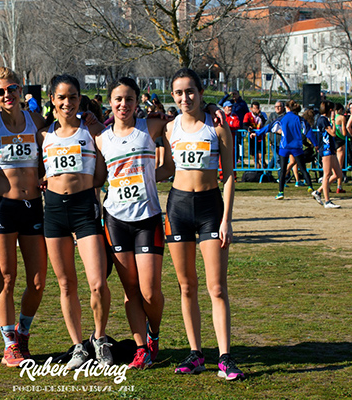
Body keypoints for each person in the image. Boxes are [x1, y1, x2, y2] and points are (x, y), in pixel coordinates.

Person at [165, 68, 244, 381]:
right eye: (179, 93)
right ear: (173, 96)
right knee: (186, 286)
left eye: (191, 92)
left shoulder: (217, 126)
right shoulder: (169, 127)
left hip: (211, 208)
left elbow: (230, 176)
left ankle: (225, 357)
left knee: (216, 287)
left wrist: (227, 219)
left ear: (200, 92)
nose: (186, 98)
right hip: (178, 207)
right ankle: (195, 353)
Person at [96, 77, 174, 370]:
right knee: (130, 290)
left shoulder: (150, 127)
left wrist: (151, 179)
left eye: (129, 99)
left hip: (148, 218)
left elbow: (170, 160)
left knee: (150, 290)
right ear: (110, 102)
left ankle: (154, 333)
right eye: (118, 99)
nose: (123, 105)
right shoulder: (101, 138)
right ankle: (141, 347)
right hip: (116, 219)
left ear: (137, 102)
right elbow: (99, 179)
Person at [0, 67, 47, 367]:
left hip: (34, 207)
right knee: (6, 278)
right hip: (4, 208)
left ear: (20, 88)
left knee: (38, 280)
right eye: (0, 92)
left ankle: (23, 333)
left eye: (12, 88)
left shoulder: (36, 120)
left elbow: (56, 143)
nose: (7, 95)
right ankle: (9, 344)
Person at [38, 74, 112, 370]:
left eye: (73, 97)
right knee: (66, 284)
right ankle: (79, 346)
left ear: (80, 99)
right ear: (53, 100)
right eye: (62, 97)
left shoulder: (92, 129)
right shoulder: (43, 135)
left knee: (97, 283)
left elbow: (104, 169)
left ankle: (101, 338)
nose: (67, 102)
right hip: (54, 211)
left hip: (84, 209)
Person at [253, 100, 316, 200]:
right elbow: (309, 132)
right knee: (303, 169)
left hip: (284, 147)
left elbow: (268, 127)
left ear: (287, 108)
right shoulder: (299, 119)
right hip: (297, 147)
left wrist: (257, 133)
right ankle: (311, 188)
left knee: (283, 170)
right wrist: (315, 144)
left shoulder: (282, 118)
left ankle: (281, 192)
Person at [311, 101, 342, 208]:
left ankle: (318, 192)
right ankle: (327, 201)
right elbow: (333, 133)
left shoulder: (325, 119)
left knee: (338, 174)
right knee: (327, 174)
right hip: (326, 149)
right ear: (330, 110)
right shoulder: (323, 120)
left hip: (331, 149)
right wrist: (333, 120)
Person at [243, 101, 265, 169]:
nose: (256, 110)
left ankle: (266, 172)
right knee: (255, 159)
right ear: (251, 108)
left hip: (261, 138)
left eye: (257, 108)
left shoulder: (262, 114)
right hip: (252, 138)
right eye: (254, 108)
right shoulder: (248, 115)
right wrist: (248, 128)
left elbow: (266, 123)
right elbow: (244, 125)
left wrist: (261, 116)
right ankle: (257, 172)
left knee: (262, 158)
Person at [333, 103, 348, 192]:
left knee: (331, 165)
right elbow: (344, 133)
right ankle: (339, 186)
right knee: (339, 165)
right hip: (340, 141)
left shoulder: (331, 118)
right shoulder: (341, 118)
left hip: (332, 141)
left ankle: (328, 185)